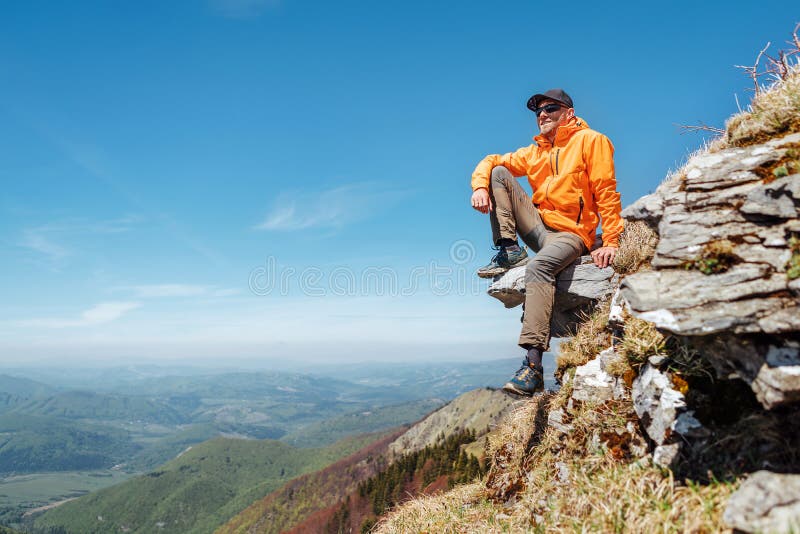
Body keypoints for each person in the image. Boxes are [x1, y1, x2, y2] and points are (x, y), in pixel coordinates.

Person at [470, 88, 623, 396]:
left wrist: (611, 240)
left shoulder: (591, 141)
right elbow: (492, 160)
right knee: (499, 173)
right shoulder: (536, 151)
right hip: (540, 228)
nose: (542, 115)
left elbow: (606, 190)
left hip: (572, 234)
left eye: (550, 108)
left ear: (569, 112)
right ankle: (509, 250)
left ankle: (533, 366)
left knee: (538, 269)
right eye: (538, 111)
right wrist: (480, 187)